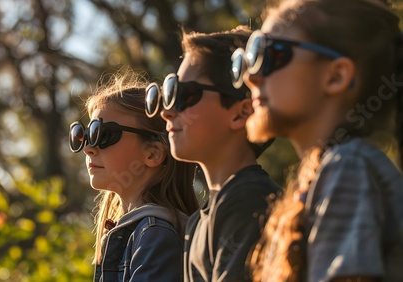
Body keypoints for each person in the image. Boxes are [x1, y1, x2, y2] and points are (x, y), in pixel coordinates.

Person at [231, 0, 403, 281]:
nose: (252, 77)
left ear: (336, 76)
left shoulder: (349, 167)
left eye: (272, 55)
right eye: (250, 59)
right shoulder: (329, 172)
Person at [146, 27, 279, 281]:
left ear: (241, 113)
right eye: (168, 95)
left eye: (184, 95)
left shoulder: (249, 201)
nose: (167, 112)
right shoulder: (199, 220)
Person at [69, 69, 199, 282]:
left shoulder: (155, 235)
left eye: (103, 134)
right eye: (85, 135)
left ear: (153, 153)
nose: (88, 149)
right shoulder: (138, 231)